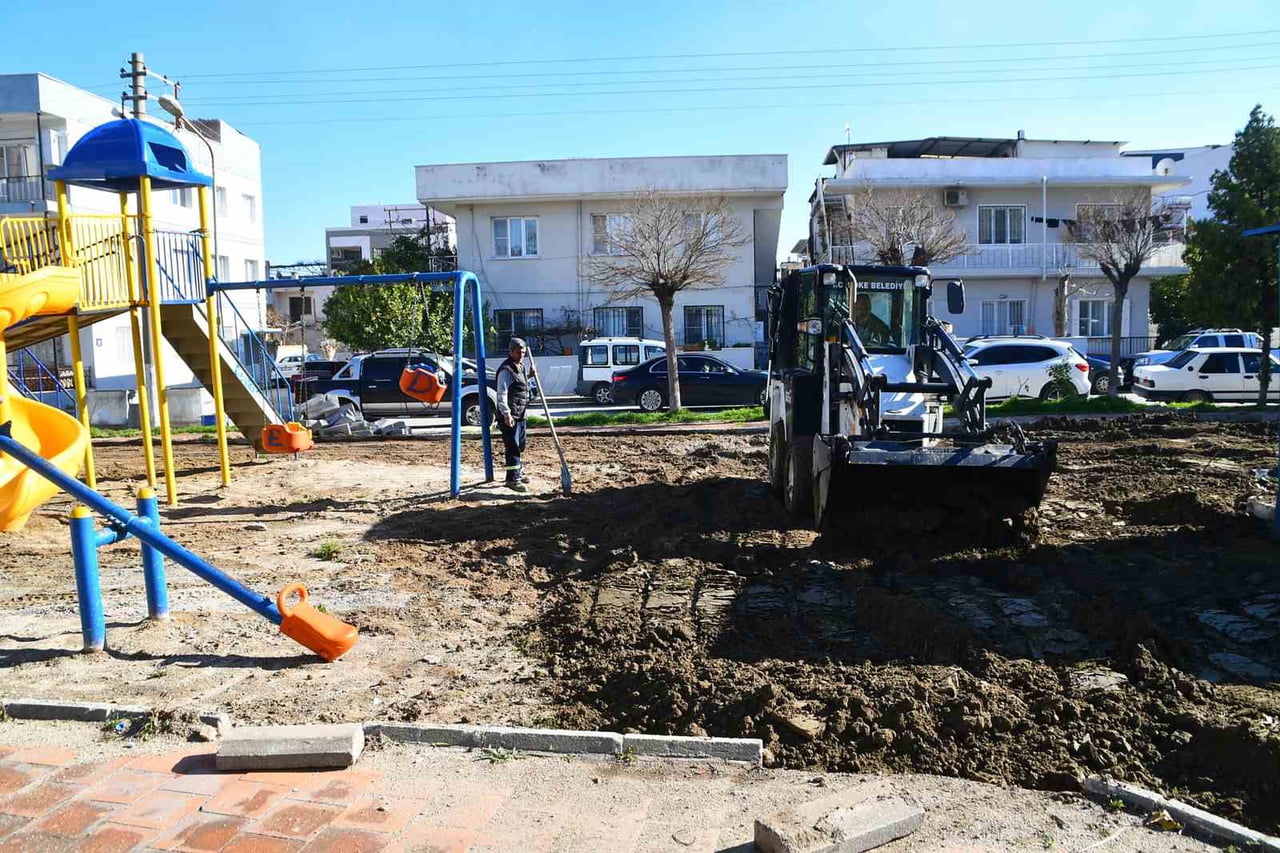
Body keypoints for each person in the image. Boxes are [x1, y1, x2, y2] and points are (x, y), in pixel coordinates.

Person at [495, 337, 532, 492]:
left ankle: (518, 472)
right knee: (513, 447)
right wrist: (506, 413)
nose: (521, 355)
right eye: (518, 352)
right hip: (510, 415)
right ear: (510, 351)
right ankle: (512, 479)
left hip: (521, 412)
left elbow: (520, 385)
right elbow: (502, 393)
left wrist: (529, 375)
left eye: (523, 352)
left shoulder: (520, 367)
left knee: (520, 445)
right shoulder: (506, 370)